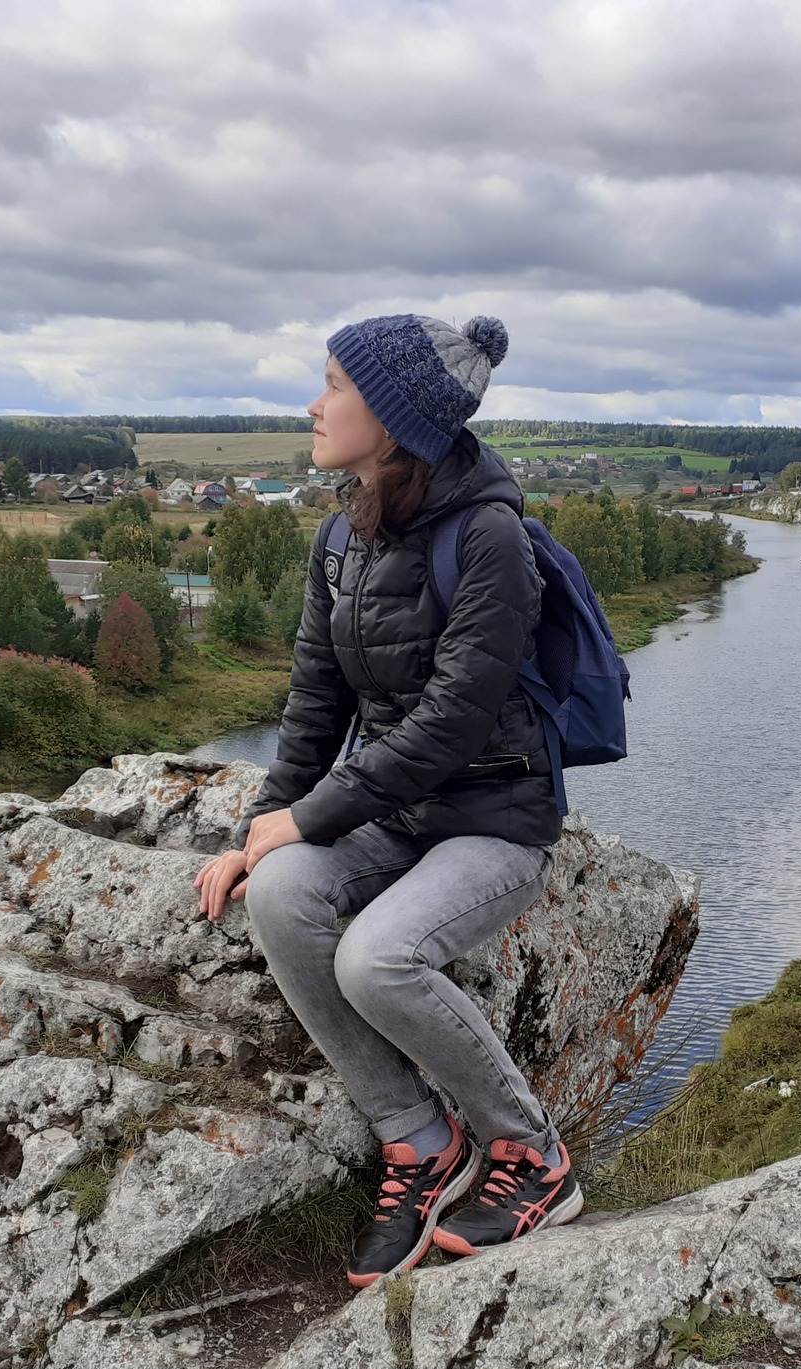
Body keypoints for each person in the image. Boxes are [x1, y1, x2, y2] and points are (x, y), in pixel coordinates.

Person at [193, 313, 580, 1288]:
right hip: (395, 819)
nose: (313, 404)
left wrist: (310, 818)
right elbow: (315, 705)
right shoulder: (343, 536)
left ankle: (530, 1152)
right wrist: (261, 835)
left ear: (398, 414)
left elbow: (453, 722)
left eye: (333, 384)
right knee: (279, 893)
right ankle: (415, 1140)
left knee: (379, 957)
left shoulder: (491, 540)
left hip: (494, 820)